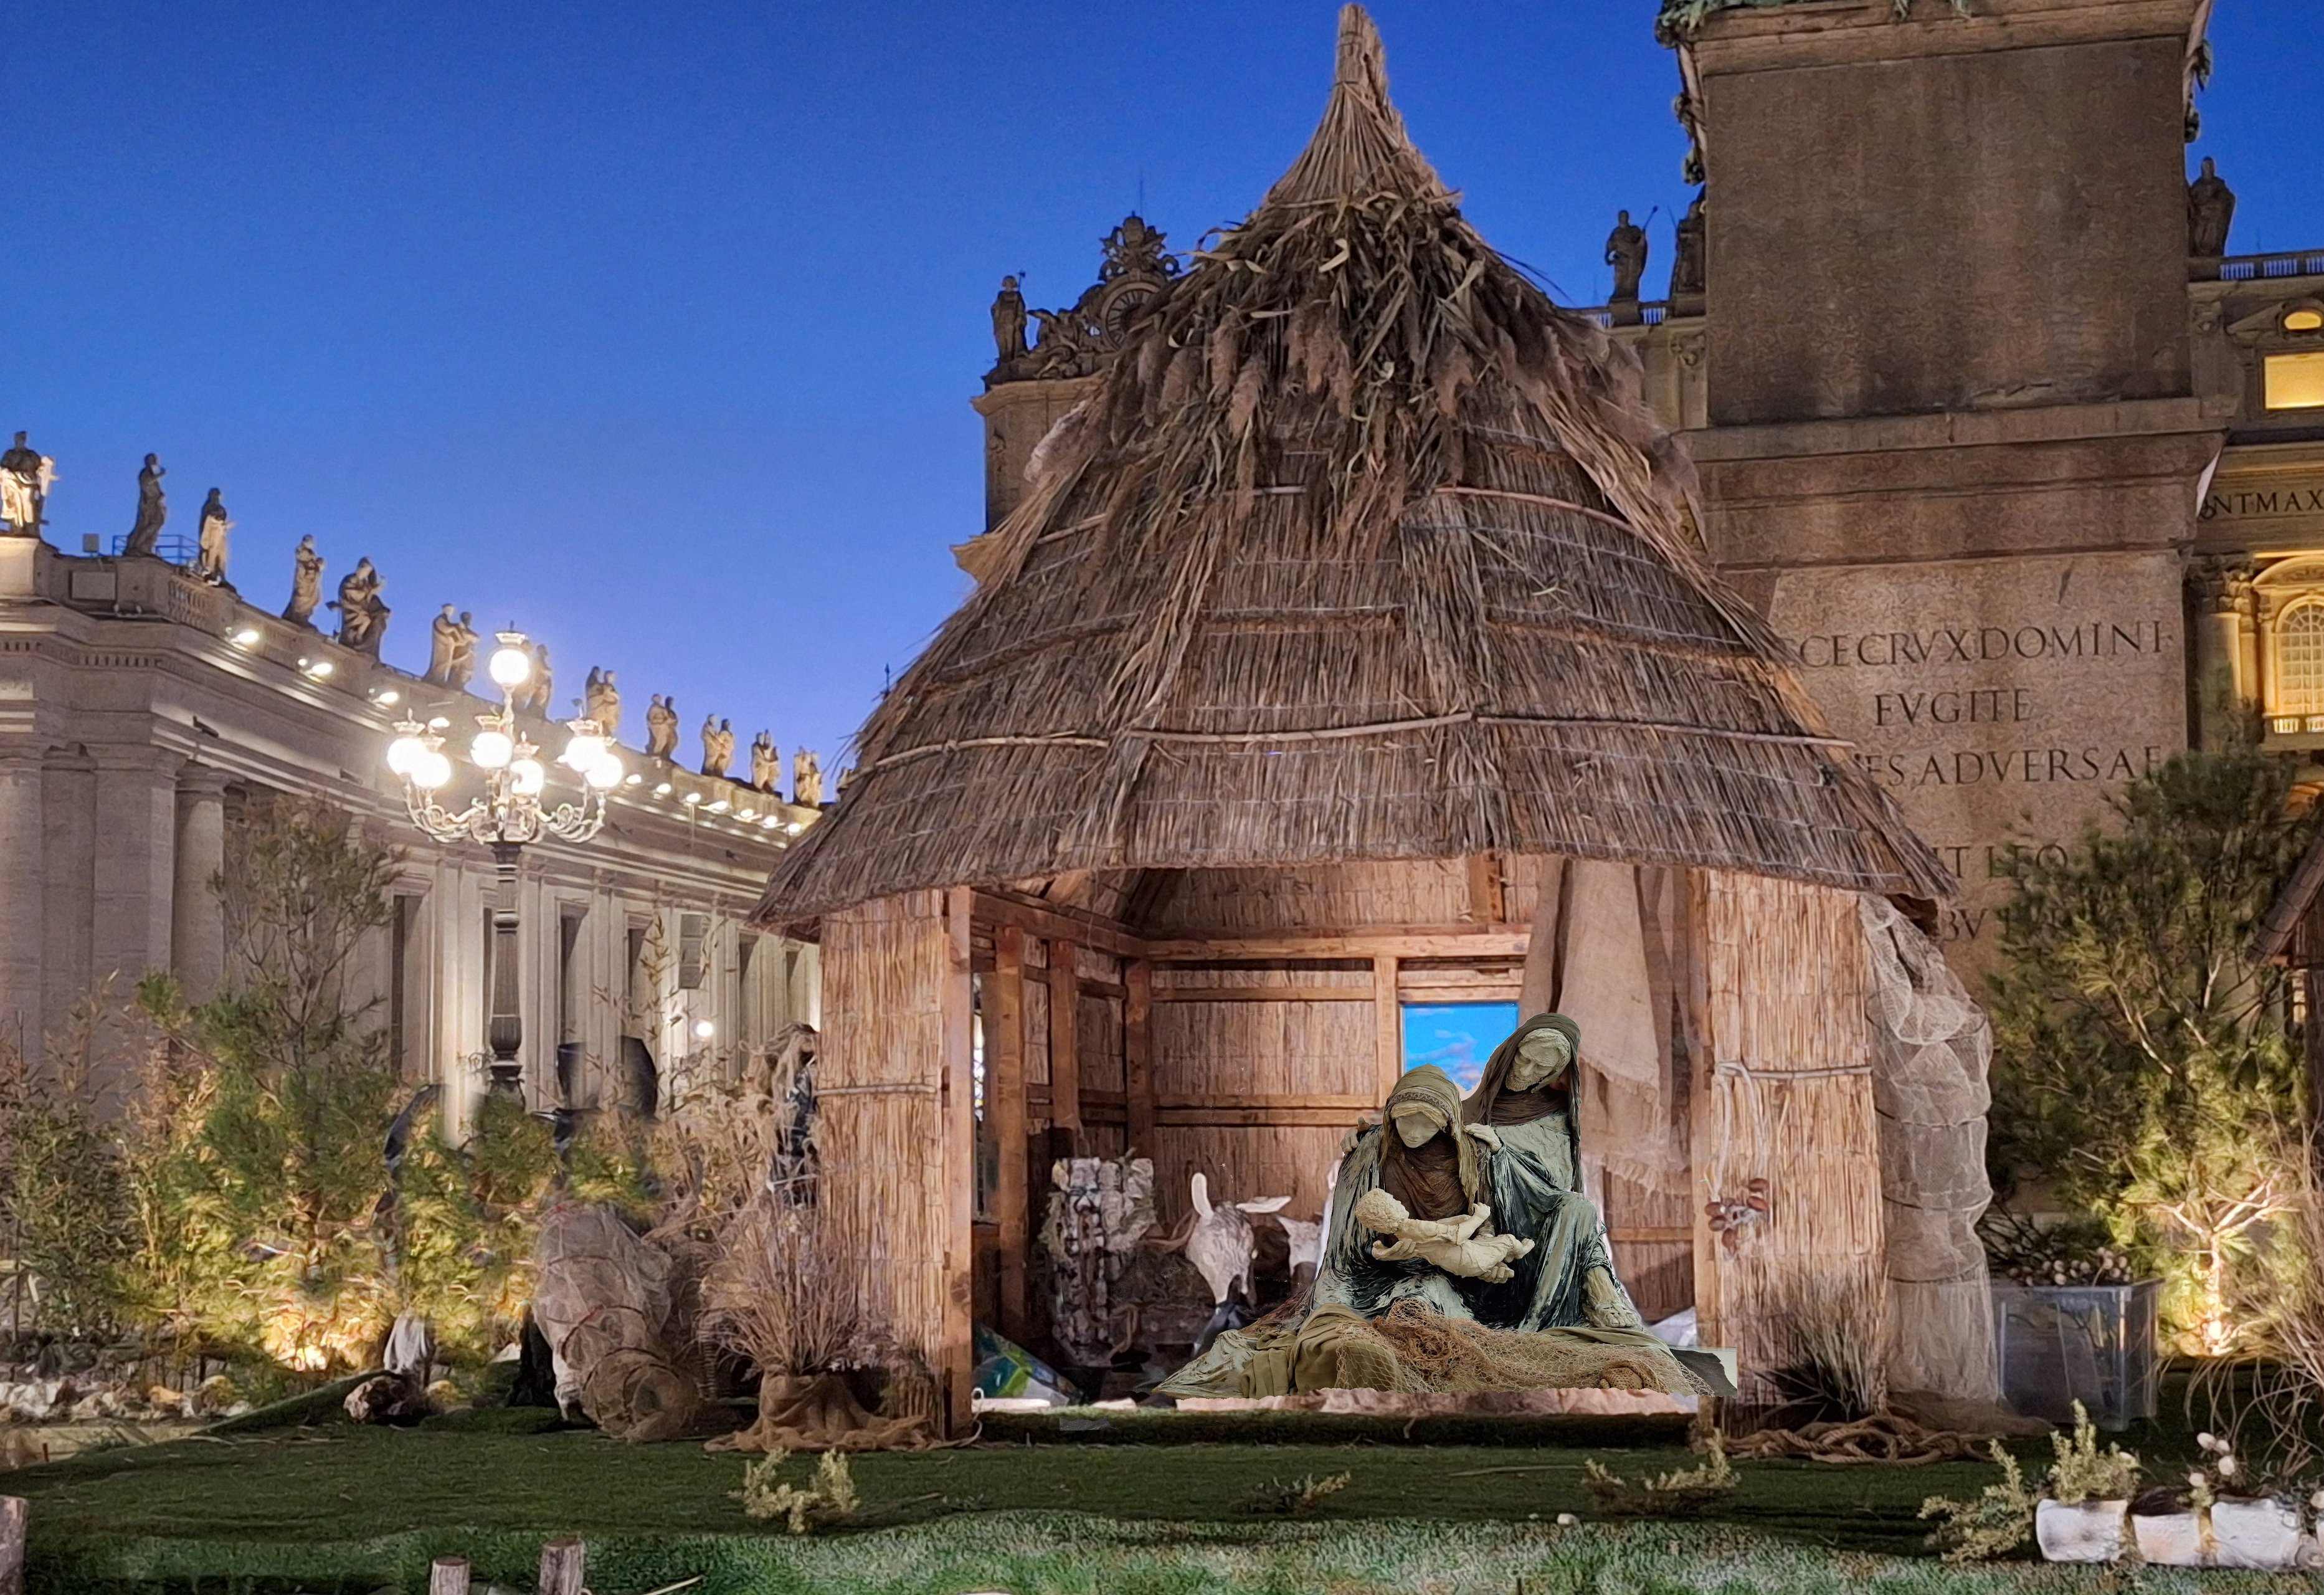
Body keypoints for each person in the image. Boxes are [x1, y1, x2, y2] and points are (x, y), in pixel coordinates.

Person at [1458, 1014, 1651, 1336]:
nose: (1526, 1073)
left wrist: (1502, 1149)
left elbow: (1558, 1180)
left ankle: (1567, 1306)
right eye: (1524, 1059)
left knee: (1577, 1209)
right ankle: (1600, 1295)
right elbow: (1426, 1149)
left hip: (1541, 1216)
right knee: (1577, 1214)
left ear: (1553, 1074)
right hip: (1484, 1221)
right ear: (1510, 1052)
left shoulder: (1557, 1114)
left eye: (1541, 1068)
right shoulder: (1466, 1111)